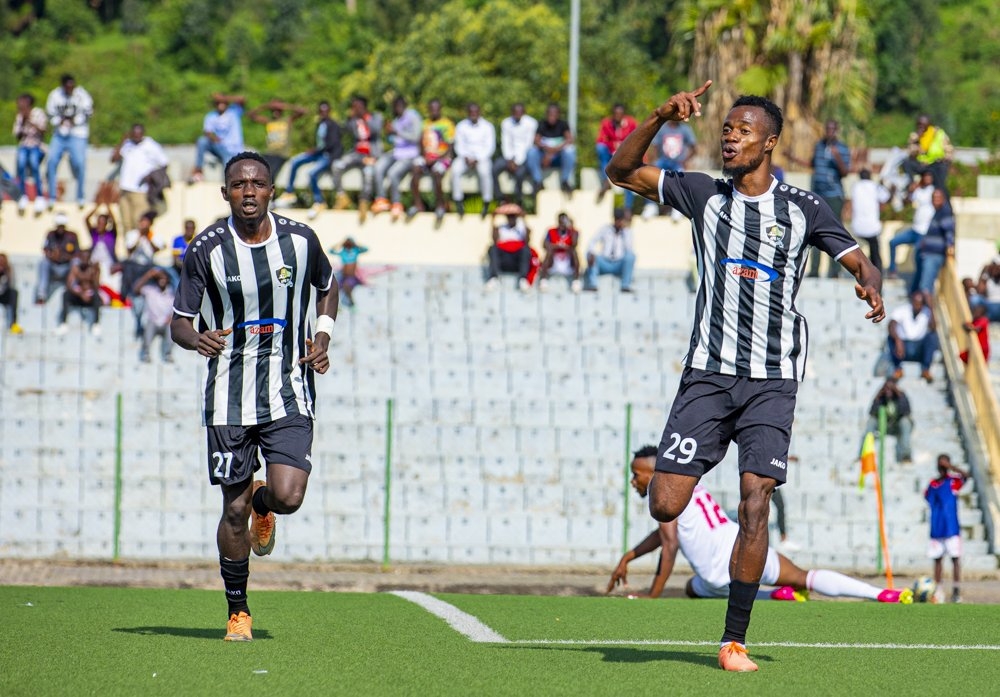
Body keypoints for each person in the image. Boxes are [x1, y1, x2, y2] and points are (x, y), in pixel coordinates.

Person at [605, 81, 884, 672]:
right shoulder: (702, 193)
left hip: (772, 380)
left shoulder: (804, 208)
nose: (730, 137)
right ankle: (697, 484)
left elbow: (860, 258)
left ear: (770, 143)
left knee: (755, 498)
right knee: (664, 504)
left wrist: (870, 283)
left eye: (743, 130)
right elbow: (620, 170)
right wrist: (659, 115)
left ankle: (733, 640)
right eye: (726, 129)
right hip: (707, 375)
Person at [170, 151, 337, 642]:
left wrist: (322, 336)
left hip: (289, 387)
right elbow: (180, 320)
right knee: (233, 510)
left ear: (270, 191)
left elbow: (328, 286)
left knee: (287, 495)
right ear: (225, 193)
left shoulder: (301, 241)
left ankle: (267, 503)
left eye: (258, 183)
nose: (248, 191)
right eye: (239, 184)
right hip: (228, 396)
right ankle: (237, 611)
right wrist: (194, 337)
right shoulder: (206, 249)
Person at [608, 447, 910, 604]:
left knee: (704, 586)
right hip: (747, 546)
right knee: (804, 577)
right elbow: (663, 534)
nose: (634, 480)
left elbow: (670, 543)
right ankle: (882, 595)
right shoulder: (687, 485)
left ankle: (774, 596)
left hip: (720, 571)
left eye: (638, 474)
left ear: (654, 472)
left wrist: (652, 595)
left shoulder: (664, 489)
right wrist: (628, 557)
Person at [798, 120, 851, 278]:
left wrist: (837, 157)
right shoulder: (819, 146)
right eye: (827, 129)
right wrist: (792, 157)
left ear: (837, 131)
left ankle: (835, 271)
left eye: (832, 129)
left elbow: (845, 172)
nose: (829, 132)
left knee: (834, 233)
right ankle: (814, 271)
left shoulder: (842, 148)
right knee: (814, 232)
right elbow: (812, 164)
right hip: (817, 194)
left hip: (834, 195)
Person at [273, 101, 343, 218]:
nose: (323, 113)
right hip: (318, 153)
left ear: (329, 111)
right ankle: (289, 192)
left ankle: (319, 201)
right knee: (295, 161)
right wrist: (314, 150)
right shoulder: (320, 124)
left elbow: (333, 144)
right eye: (321, 110)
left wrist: (317, 151)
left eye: (325, 110)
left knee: (312, 173)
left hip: (328, 155)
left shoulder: (333, 125)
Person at [329, 96, 383, 219]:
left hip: (371, 154)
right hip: (357, 154)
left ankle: (364, 202)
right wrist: (349, 117)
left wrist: (365, 117)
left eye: (357, 107)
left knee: (368, 172)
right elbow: (343, 130)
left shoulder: (375, 117)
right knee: (337, 165)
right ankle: (342, 196)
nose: (355, 109)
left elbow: (376, 130)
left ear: (364, 107)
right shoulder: (354, 120)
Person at [924, 454, 968, 604]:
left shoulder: (953, 482)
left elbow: (966, 476)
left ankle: (956, 592)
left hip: (951, 528)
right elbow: (927, 497)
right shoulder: (933, 484)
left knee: (955, 559)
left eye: (945, 462)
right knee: (937, 560)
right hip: (937, 529)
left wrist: (951, 467)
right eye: (940, 462)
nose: (942, 465)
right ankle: (938, 591)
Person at [44, 74, 93, 209]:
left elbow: (88, 112)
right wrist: (60, 121)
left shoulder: (82, 95)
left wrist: (74, 121)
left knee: (80, 163)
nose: (70, 88)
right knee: (52, 161)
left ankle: (80, 196)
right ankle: (52, 196)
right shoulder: (55, 95)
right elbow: (50, 114)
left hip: (78, 134)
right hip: (59, 134)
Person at [370, 96, 423, 220]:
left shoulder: (413, 116)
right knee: (378, 166)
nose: (397, 109)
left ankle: (396, 203)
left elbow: (416, 137)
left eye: (399, 106)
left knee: (393, 173)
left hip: (410, 154)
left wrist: (397, 132)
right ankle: (381, 199)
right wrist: (388, 133)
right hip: (397, 152)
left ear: (404, 106)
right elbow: (394, 140)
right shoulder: (396, 120)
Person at [110, 123, 170, 232]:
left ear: (143, 134)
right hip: (125, 190)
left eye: (139, 134)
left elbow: (164, 163)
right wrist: (122, 141)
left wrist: (151, 175)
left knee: (139, 223)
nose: (136, 137)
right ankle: (128, 248)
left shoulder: (151, 145)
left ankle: (139, 248)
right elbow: (114, 159)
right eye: (134, 134)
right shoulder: (127, 144)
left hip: (140, 191)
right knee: (126, 224)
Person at [408, 98, 454, 223]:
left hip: (442, 158)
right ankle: (417, 204)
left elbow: (450, 148)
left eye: (436, 109)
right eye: (431, 109)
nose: (434, 111)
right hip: (427, 158)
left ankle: (440, 205)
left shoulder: (447, 124)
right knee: (415, 167)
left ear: (440, 109)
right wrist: (425, 157)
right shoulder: (425, 124)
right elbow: (421, 143)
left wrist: (436, 158)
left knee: (437, 172)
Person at [643, 119, 697, 219]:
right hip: (663, 161)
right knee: (650, 176)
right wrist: (653, 162)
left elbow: (694, 147)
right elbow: (655, 146)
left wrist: (685, 161)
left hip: (678, 162)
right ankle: (650, 206)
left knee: (680, 179)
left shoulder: (685, 129)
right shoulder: (662, 128)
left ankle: (678, 208)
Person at [450, 103, 496, 219]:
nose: (473, 114)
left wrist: (477, 159)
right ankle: (458, 200)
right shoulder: (461, 126)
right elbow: (458, 145)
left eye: (475, 112)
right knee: (455, 170)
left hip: (482, 158)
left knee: (485, 172)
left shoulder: (488, 126)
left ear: (479, 112)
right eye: (471, 112)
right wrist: (466, 157)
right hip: (464, 157)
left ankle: (486, 201)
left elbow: (490, 147)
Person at [887, 171, 934, 278]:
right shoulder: (918, 191)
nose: (927, 179)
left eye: (929, 177)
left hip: (924, 232)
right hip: (915, 230)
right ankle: (892, 270)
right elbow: (906, 202)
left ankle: (918, 282)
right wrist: (910, 191)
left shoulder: (934, 191)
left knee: (917, 256)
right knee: (893, 242)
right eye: (925, 177)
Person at [247, 99, 308, 183]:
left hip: (281, 154)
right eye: (273, 110)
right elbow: (250, 115)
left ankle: (271, 195)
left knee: (271, 174)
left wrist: (284, 105)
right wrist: (266, 105)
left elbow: (303, 111)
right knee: (255, 171)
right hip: (269, 153)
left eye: (278, 110)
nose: (275, 112)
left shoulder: (287, 120)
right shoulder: (269, 121)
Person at [189, 93, 246, 183]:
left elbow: (242, 99)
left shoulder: (234, 112)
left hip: (234, 149)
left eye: (222, 102)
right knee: (202, 141)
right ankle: (198, 170)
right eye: (218, 102)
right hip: (220, 146)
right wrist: (215, 139)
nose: (220, 104)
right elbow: (207, 132)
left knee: (228, 161)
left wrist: (225, 97)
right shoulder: (211, 116)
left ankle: (229, 183)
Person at [492, 103, 537, 206]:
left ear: (523, 112)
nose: (517, 115)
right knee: (494, 168)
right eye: (515, 113)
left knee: (520, 174)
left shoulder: (531, 123)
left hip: (524, 157)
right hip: (509, 157)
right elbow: (506, 142)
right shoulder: (506, 123)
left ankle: (519, 201)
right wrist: (509, 159)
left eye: (519, 113)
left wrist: (517, 162)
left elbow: (528, 144)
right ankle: (500, 198)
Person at [911, 189, 954, 297]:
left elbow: (949, 232)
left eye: (938, 198)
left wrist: (950, 247)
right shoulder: (937, 212)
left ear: (943, 199)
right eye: (934, 198)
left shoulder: (945, 212)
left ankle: (929, 313)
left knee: (925, 288)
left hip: (934, 255)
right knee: (922, 285)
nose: (936, 200)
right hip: (927, 253)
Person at [887, 291, 938, 383]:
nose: (916, 306)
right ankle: (897, 369)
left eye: (919, 304)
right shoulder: (902, 310)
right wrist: (898, 340)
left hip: (919, 347)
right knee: (891, 338)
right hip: (903, 346)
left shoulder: (927, 312)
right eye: (915, 303)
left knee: (932, 337)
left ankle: (925, 370)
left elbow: (933, 328)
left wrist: (931, 307)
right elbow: (891, 325)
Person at [527, 103, 576, 195]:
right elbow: (536, 140)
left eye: (554, 114)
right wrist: (547, 151)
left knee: (570, 151)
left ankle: (565, 181)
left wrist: (554, 150)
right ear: (546, 114)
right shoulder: (542, 124)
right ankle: (538, 181)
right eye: (550, 114)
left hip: (558, 156)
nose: (552, 117)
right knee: (531, 152)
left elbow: (570, 139)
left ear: (558, 115)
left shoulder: (563, 124)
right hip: (544, 156)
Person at [583, 207, 635, 293]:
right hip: (605, 262)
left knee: (631, 256)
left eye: (620, 219)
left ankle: (625, 285)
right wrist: (591, 252)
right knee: (590, 255)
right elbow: (592, 242)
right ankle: (593, 284)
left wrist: (624, 232)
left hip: (619, 264)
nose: (618, 222)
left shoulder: (627, 232)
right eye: (616, 219)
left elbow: (629, 249)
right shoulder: (605, 229)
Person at [13, 93, 48, 216]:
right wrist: (22, 121)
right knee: (21, 165)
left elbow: (44, 130)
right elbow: (17, 136)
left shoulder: (38, 113)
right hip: (24, 145)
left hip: (36, 146)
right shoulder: (19, 116)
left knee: (34, 165)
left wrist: (30, 120)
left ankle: (39, 196)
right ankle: (22, 194)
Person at [595, 104, 637, 206]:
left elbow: (637, 140)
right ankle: (606, 181)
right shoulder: (607, 123)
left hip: (626, 156)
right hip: (611, 154)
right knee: (600, 148)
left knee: (627, 179)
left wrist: (623, 148)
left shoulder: (631, 123)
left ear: (624, 115)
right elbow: (600, 140)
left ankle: (628, 209)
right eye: (615, 114)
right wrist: (613, 145)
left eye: (620, 114)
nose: (617, 116)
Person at [849, 169, 890, 273]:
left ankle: (869, 267)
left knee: (867, 246)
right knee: (875, 249)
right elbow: (886, 197)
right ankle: (877, 270)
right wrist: (883, 185)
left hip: (857, 227)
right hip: (872, 227)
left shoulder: (855, 187)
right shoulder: (875, 186)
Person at [863, 378, 913, 464]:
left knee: (905, 422)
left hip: (897, 426)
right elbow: (872, 412)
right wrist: (879, 397)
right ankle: (864, 453)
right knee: (871, 421)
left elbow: (906, 411)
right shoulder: (880, 398)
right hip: (882, 425)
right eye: (887, 388)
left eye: (891, 388)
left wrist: (898, 395)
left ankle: (906, 455)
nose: (888, 390)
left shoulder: (901, 396)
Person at [35, 212, 80, 303]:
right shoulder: (50, 234)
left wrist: (64, 257)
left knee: (76, 262)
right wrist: (53, 256)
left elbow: (77, 253)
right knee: (43, 262)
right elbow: (45, 250)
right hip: (54, 266)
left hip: (67, 266)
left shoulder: (72, 236)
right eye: (59, 225)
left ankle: (74, 289)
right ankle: (41, 294)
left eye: (62, 226)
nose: (60, 228)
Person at [485, 205, 531, 291]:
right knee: (492, 248)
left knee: (526, 250)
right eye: (509, 217)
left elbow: (527, 241)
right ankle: (494, 277)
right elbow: (494, 240)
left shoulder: (521, 228)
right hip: (504, 259)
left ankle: (523, 279)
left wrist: (524, 219)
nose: (511, 219)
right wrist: (493, 219)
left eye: (513, 217)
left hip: (516, 260)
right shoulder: (502, 228)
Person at [133, 267, 175, 363]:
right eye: (160, 278)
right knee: (148, 330)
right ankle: (145, 353)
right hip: (152, 321)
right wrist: (148, 275)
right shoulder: (150, 290)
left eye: (164, 277)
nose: (162, 280)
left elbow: (176, 309)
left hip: (166, 322)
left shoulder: (171, 293)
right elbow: (136, 289)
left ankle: (168, 354)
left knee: (172, 329)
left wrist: (171, 317)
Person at [903, 114, 953, 193]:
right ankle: (911, 184)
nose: (921, 127)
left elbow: (949, 150)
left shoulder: (938, 134)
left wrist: (946, 160)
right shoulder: (915, 136)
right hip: (921, 165)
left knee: (940, 179)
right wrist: (917, 139)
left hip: (936, 164)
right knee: (906, 162)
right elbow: (911, 153)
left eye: (923, 124)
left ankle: (940, 192)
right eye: (919, 124)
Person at [58, 248, 101, 336]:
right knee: (66, 294)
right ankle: (63, 323)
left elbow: (97, 286)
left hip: (89, 296)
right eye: (83, 257)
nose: (85, 260)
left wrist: (96, 272)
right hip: (78, 295)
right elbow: (69, 285)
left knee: (97, 297)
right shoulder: (76, 269)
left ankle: (96, 324)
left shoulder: (93, 269)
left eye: (87, 257)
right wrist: (81, 294)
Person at [538, 212, 582, 293]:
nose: (562, 224)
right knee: (549, 251)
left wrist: (571, 229)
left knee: (574, 252)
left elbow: (574, 244)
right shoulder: (551, 231)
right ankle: (543, 280)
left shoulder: (574, 232)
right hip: (554, 261)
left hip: (567, 261)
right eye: (561, 222)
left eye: (564, 221)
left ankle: (576, 281)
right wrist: (558, 246)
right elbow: (544, 244)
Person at [329, 237, 368, 309]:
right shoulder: (343, 252)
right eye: (347, 244)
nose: (348, 246)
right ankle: (336, 306)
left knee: (347, 287)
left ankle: (352, 304)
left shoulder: (355, 251)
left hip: (352, 276)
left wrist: (356, 244)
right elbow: (331, 251)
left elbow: (366, 249)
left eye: (349, 244)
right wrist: (339, 244)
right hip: (344, 276)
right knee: (335, 289)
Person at [84, 204, 118, 284]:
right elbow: (86, 219)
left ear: (106, 224)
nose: (99, 225)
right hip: (94, 263)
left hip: (108, 264)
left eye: (102, 223)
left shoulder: (111, 235)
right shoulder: (94, 234)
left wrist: (108, 206)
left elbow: (114, 222)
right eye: (98, 223)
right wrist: (97, 206)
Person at [0, 253, 22, 334]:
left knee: (14, 293)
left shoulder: (8, 270)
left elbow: (11, 285)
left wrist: (5, 275)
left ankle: (13, 323)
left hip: (4, 294)